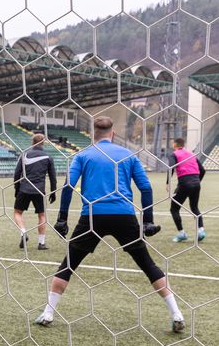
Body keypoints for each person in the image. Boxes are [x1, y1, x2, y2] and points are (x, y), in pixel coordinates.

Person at [36, 116, 185, 333]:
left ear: (92, 135)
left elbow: (68, 186)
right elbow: (145, 188)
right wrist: (148, 221)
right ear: (112, 133)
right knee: (147, 264)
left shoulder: (83, 155)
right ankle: (176, 313)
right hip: (124, 215)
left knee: (68, 265)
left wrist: (62, 219)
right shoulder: (128, 155)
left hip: (92, 216)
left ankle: (48, 312)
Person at [12, 133, 57, 250]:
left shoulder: (25, 154)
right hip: (39, 190)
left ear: (32, 142)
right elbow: (53, 177)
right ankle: (41, 243)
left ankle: (23, 232)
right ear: (43, 143)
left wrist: (17, 189)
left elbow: (17, 174)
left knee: (17, 213)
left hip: (24, 189)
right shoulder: (48, 157)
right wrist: (53, 192)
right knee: (42, 215)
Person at [167, 138, 206, 243]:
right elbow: (202, 170)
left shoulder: (174, 154)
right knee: (194, 207)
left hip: (184, 184)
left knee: (174, 209)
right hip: (196, 183)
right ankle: (201, 230)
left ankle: (181, 233)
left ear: (175, 144)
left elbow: (170, 167)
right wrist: (197, 181)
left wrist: (167, 183)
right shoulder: (191, 154)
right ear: (183, 144)